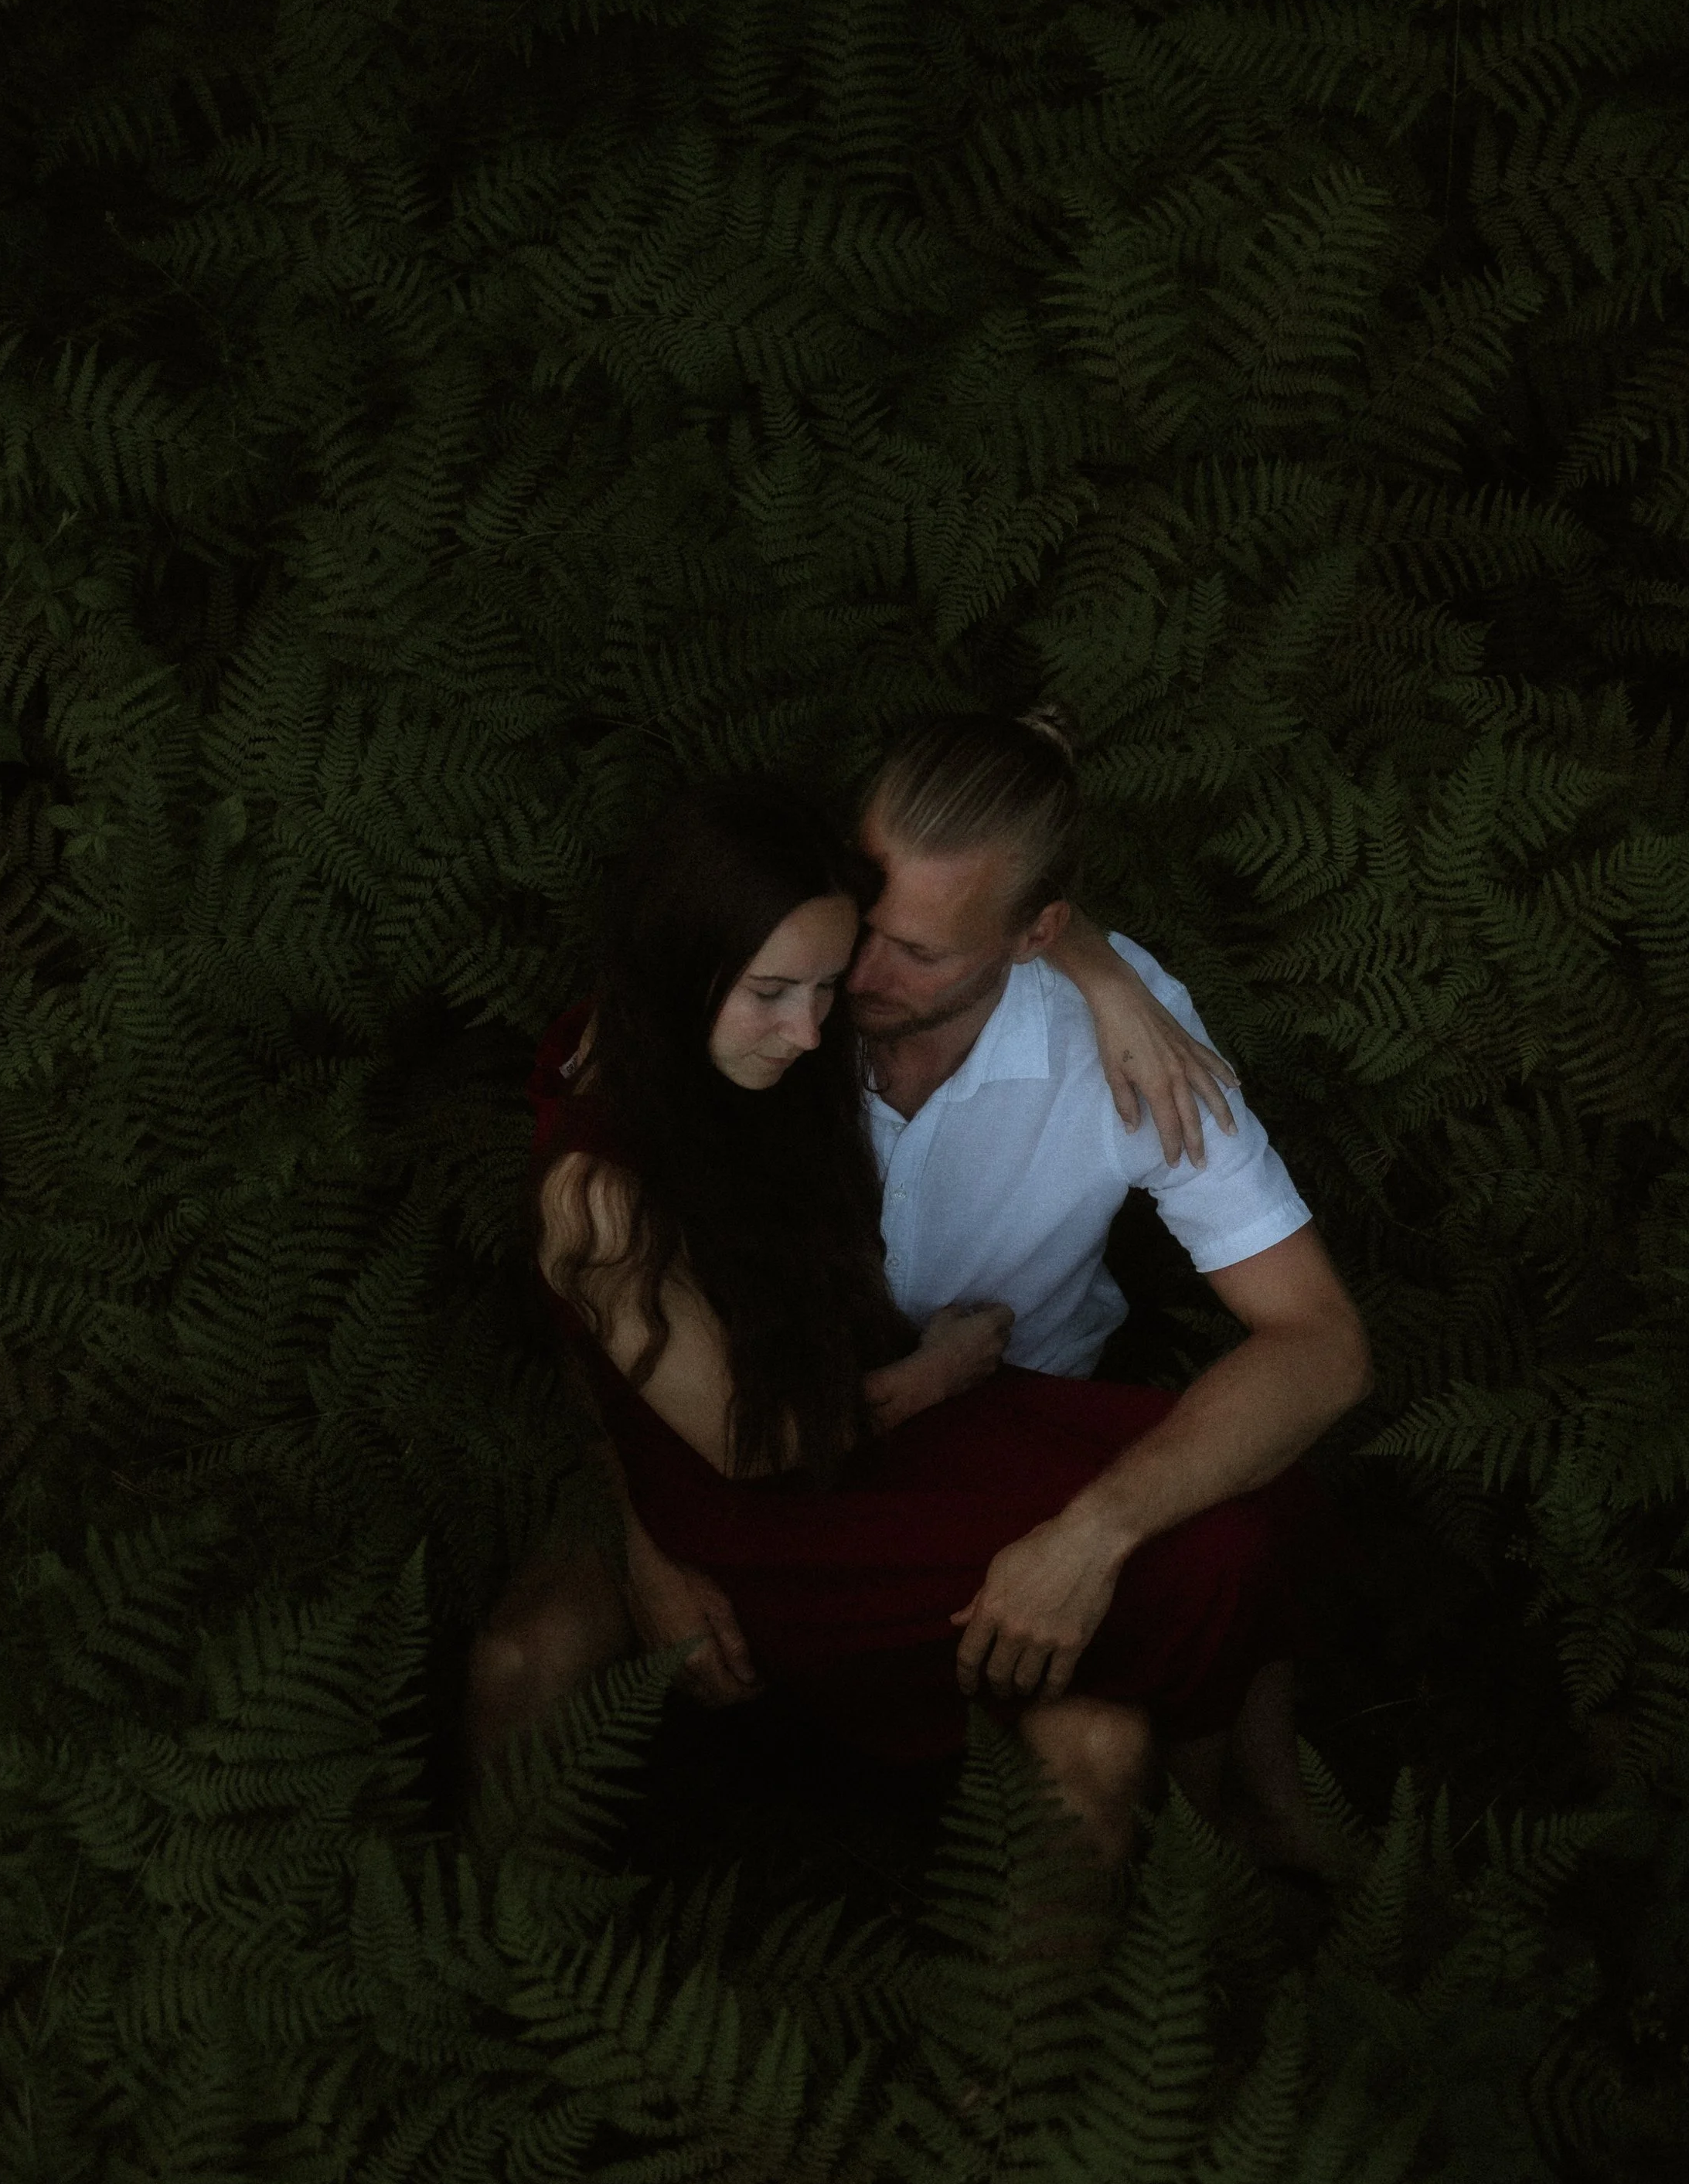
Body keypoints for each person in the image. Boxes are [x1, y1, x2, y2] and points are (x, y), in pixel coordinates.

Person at [480, 731, 1374, 1866]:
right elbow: (604, 1287)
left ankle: (1240, 1824)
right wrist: (646, 1528)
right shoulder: (770, 995)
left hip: (989, 1438)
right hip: (761, 1442)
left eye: (914, 951)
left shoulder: (1118, 1033)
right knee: (528, 1656)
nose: (850, 986)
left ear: (1036, 935)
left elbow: (1322, 1343)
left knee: (1236, 1528)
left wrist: (1090, 1537)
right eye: (863, 918)